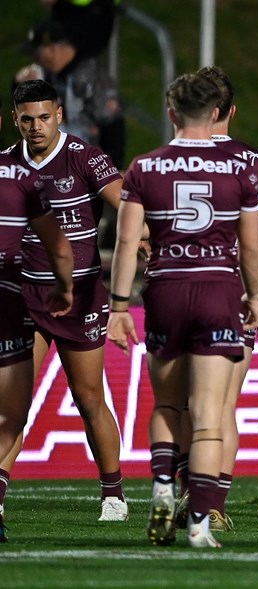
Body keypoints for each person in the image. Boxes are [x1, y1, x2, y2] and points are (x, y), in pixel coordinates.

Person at [106, 72, 258, 548]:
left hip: (166, 289)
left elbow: (126, 242)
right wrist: (255, 296)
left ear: (171, 112)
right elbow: (251, 244)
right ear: (216, 113)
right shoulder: (240, 168)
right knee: (209, 416)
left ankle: (161, 487)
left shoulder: (145, 167)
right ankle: (198, 524)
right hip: (218, 289)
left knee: (168, 405)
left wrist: (118, 307)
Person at [166, 65, 258, 532]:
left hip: (173, 289)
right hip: (231, 293)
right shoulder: (252, 160)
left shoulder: (165, 159)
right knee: (219, 405)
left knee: (181, 404)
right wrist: (243, 233)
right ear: (230, 110)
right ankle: (212, 504)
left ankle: (182, 492)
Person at [1, 79, 127, 523]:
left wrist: (145, 236)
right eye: (27, 119)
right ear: (15, 120)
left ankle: (113, 494)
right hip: (23, 299)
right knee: (12, 406)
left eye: (44, 117)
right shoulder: (6, 166)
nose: (36, 126)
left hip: (81, 297)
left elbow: (126, 204)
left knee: (89, 399)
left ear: (59, 114)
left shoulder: (84, 157)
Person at [0, 95, 74, 543]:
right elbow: (60, 246)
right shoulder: (22, 178)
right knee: (11, 414)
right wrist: (64, 288)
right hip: (8, 302)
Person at [17, 18, 125, 169]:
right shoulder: (50, 74)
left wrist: (111, 170)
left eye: (37, 54)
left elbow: (112, 125)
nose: (36, 60)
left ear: (52, 49)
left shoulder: (89, 75)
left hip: (87, 167)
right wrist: (18, 85)